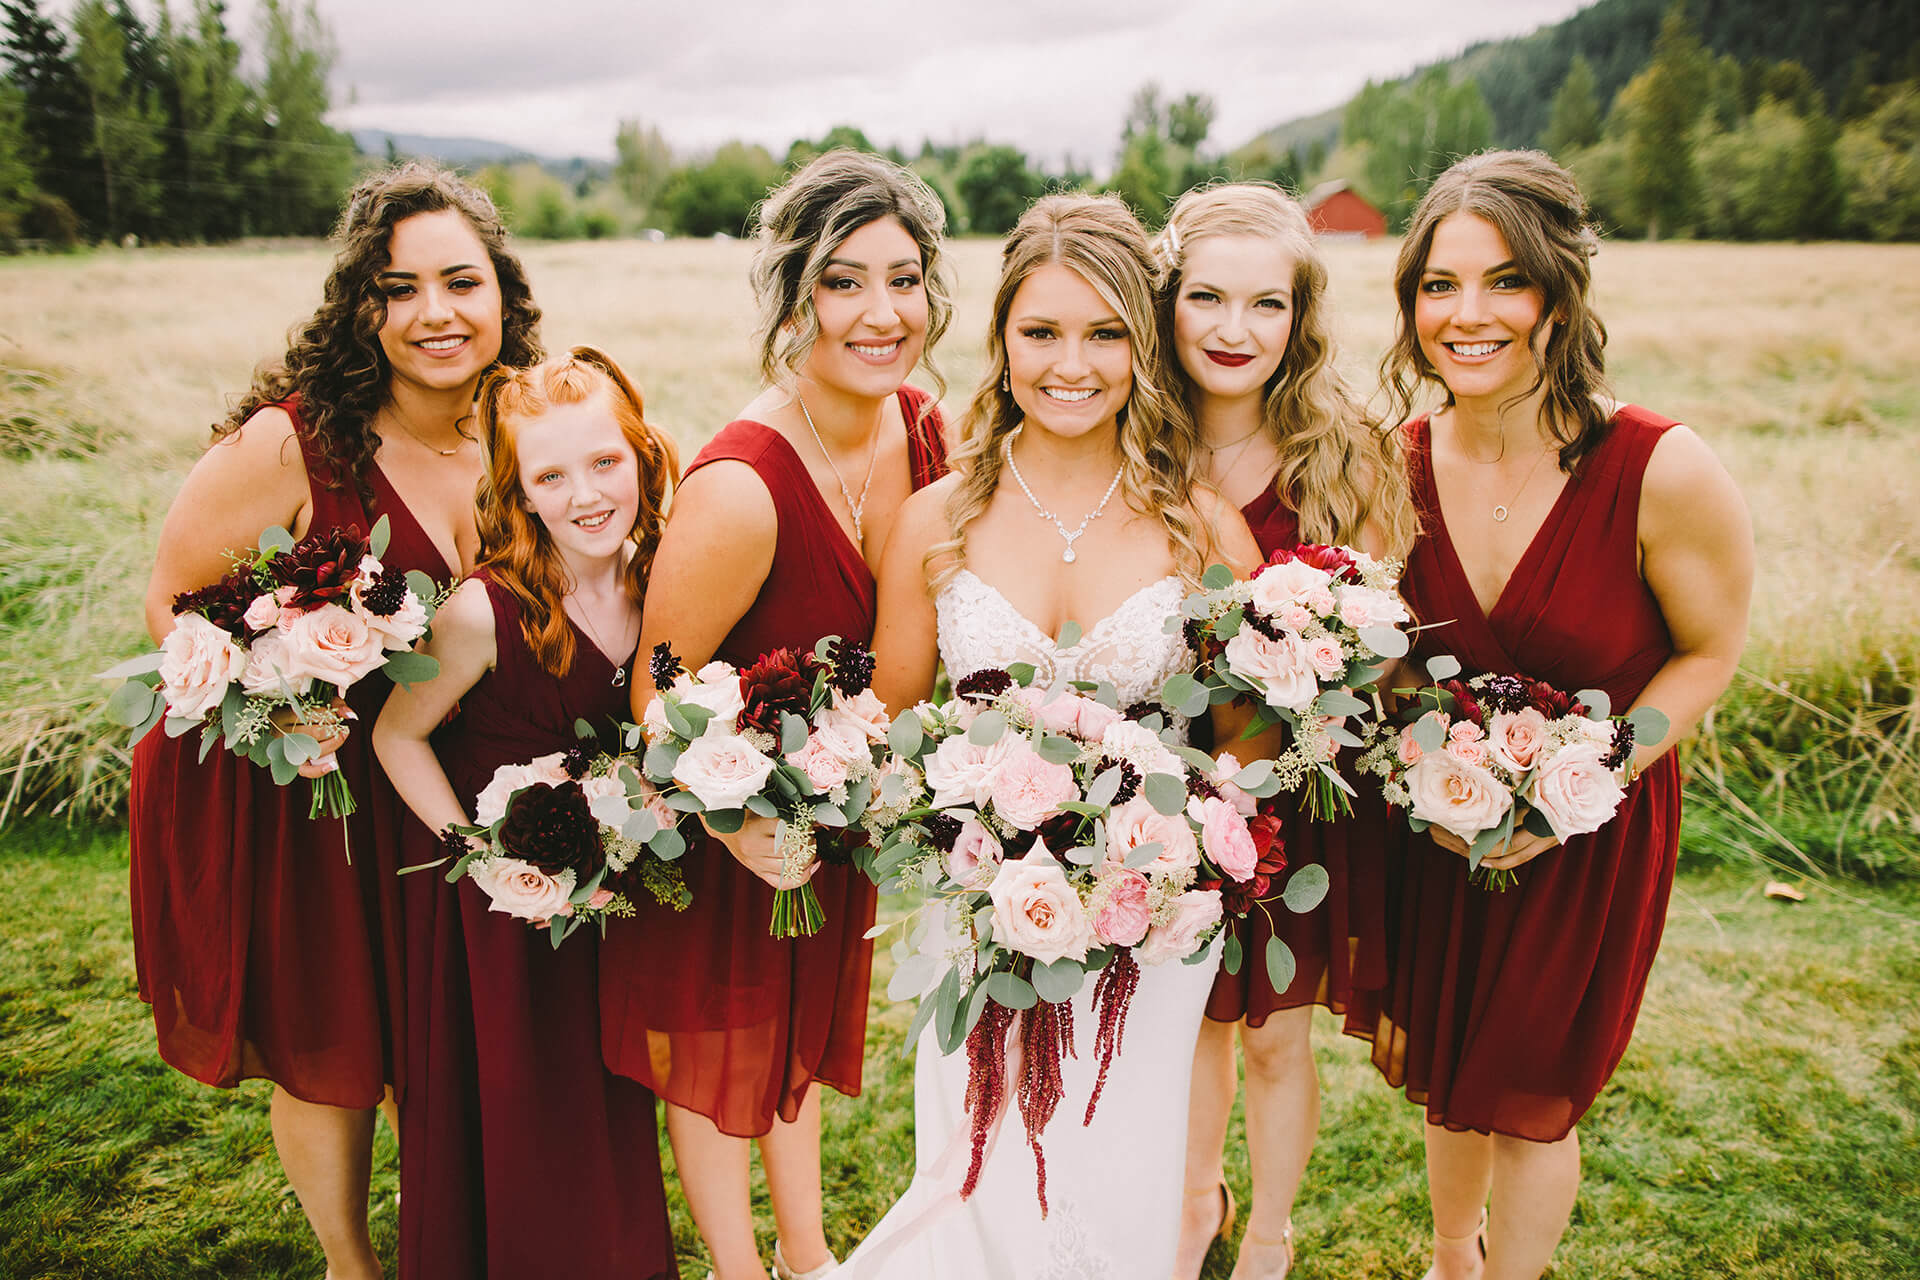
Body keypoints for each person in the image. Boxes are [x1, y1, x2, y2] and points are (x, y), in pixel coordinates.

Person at [839, 191, 1267, 1280]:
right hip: (980, 914)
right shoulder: (934, 520)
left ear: (1144, 345)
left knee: (1120, 1172)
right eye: (1041, 331)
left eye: (1106, 332)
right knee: (981, 1167)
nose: (1070, 363)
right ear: (1002, 341)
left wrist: (1170, 846)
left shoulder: (1203, 524)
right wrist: (956, 833)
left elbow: (1249, 741)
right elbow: (886, 729)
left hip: (1150, 920)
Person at [129, 162, 540, 1280]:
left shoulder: (526, 422)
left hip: (452, 785)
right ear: (360, 307)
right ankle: (351, 1263)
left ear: (503, 288)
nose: (436, 314)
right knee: (336, 1044)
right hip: (315, 798)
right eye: (397, 289)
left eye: (461, 281)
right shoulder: (295, 442)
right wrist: (282, 700)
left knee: (437, 1039)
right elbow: (172, 599)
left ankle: (457, 1238)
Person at [1350, 150, 1752, 1280]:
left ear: (1560, 295)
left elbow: (1708, 651)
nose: (1466, 315)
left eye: (1503, 282)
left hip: (1590, 836)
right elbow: (1383, 659)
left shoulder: (1662, 468)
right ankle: (1447, 1258)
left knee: (1530, 1090)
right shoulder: (1395, 463)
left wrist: (1601, 772)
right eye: (1438, 284)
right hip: (1436, 823)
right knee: (1449, 1060)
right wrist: (1410, 761)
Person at [597, 149, 954, 1280]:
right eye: (845, 281)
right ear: (794, 291)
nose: (881, 312)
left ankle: (809, 1253)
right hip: (731, 830)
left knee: (795, 1039)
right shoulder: (742, 485)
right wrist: (729, 816)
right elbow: (653, 689)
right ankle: (740, 1267)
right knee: (720, 1054)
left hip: (827, 817)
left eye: (905, 278)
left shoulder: (926, 430)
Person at [1154, 182, 1419, 1280]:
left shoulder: (1343, 450)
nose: (1233, 329)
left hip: (1299, 785)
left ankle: (1270, 1227)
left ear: (1299, 316)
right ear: (1166, 304)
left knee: (1274, 1028)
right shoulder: (1139, 438)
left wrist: (1318, 671)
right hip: (1165, 778)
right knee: (1191, 1021)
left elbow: (1387, 629)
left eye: (1266, 304)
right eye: (1206, 298)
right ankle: (1190, 1200)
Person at [372, 348, 680, 1279]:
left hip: (608, 905)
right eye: (550, 475)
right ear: (517, 492)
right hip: (498, 920)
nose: (586, 494)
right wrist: (478, 856)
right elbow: (398, 737)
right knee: (515, 1110)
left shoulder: (661, 582)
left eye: (604, 463)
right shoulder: (483, 611)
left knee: (607, 1101)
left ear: (643, 457)